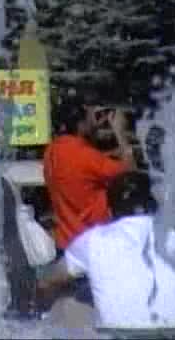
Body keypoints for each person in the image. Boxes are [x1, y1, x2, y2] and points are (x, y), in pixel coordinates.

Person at [35, 172, 175, 336]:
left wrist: (39, 305)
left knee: (66, 304)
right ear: (156, 204)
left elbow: (48, 282)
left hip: (119, 334)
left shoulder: (93, 239)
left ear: (110, 211)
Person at [44, 92, 136, 252]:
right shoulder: (84, 155)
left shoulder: (52, 150)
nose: (97, 119)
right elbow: (132, 174)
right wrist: (120, 132)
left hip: (68, 241)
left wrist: (92, 129)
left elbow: (83, 171)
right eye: (92, 115)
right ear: (80, 122)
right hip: (93, 241)